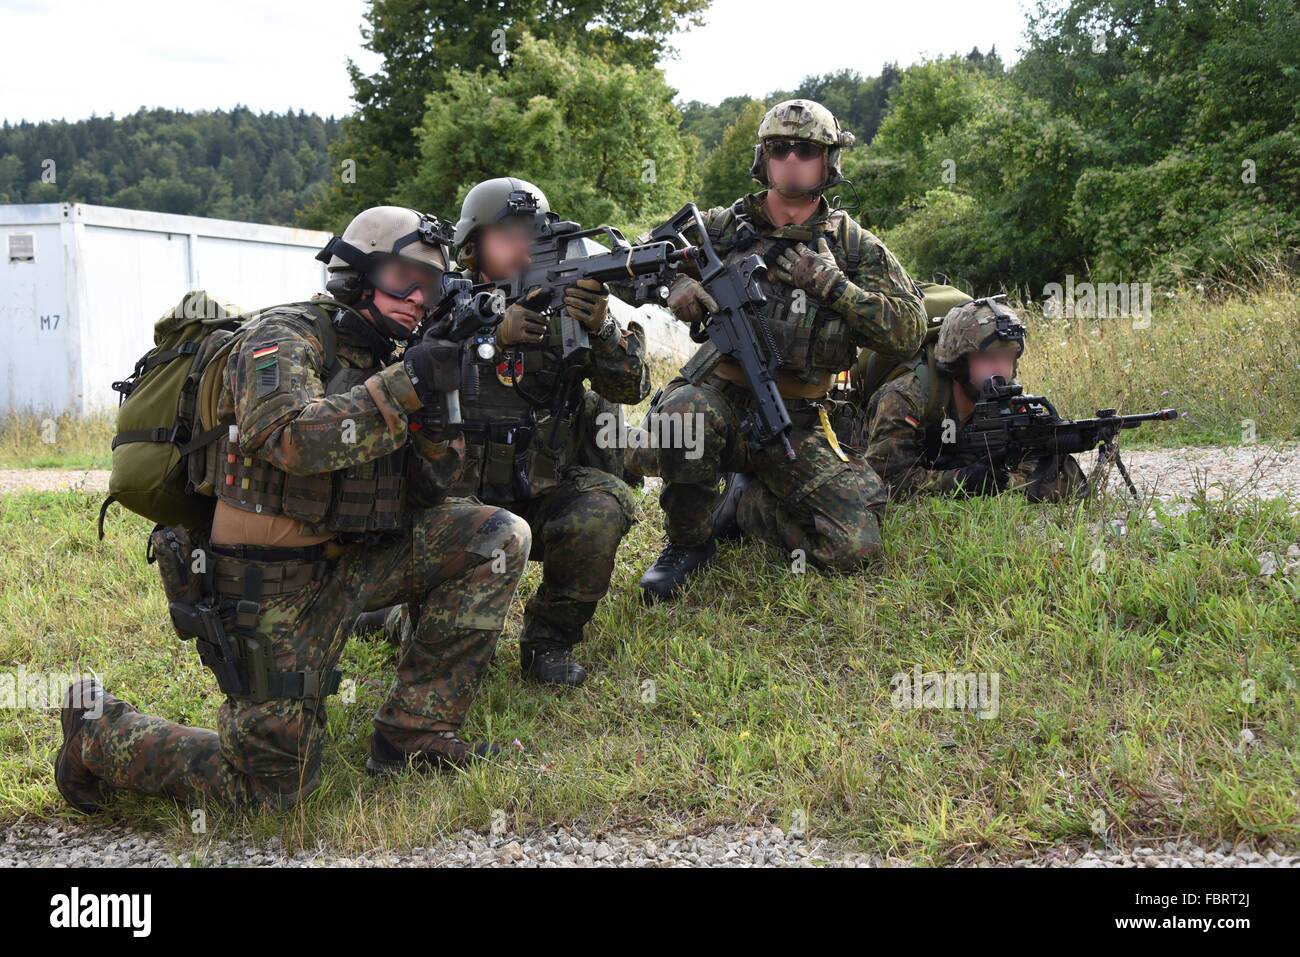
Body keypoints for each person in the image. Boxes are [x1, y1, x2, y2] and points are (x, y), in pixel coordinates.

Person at [55, 206, 532, 812]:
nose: (417, 297)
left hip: (357, 561)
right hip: (270, 586)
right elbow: (287, 438)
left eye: (431, 285)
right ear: (355, 273)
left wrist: (439, 412)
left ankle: (416, 731)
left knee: (495, 536)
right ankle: (98, 732)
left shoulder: (397, 354)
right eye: (401, 277)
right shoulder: (283, 336)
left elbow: (437, 491)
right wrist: (405, 386)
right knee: (272, 793)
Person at [358, 178, 648, 687]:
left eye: (535, 235)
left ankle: (548, 643)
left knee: (602, 506)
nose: (523, 247)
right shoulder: (436, 303)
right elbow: (403, 374)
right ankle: (393, 617)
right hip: (453, 504)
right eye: (508, 234)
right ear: (472, 245)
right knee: (445, 644)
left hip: (539, 491)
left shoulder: (569, 309)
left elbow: (630, 387)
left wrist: (602, 329)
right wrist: (490, 337)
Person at [639, 99, 927, 602]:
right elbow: (630, 263)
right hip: (720, 398)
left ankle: (745, 504)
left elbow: (908, 331)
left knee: (854, 544)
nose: (791, 158)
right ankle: (688, 543)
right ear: (763, 158)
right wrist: (672, 286)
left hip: (796, 417)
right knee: (685, 413)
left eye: (806, 149)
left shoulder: (855, 248)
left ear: (828, 161)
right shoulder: (719, 228)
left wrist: (837, 290)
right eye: (779, 148)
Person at [863, 296, 1088, 501]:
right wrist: (961, 481)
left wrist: (1005, 482)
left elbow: (1051, 473)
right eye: (988, 358)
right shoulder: (906, 397)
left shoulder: (1008, 401)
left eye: (1008, 358)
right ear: (959, 362)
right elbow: (885, 481)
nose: (1001, 369)